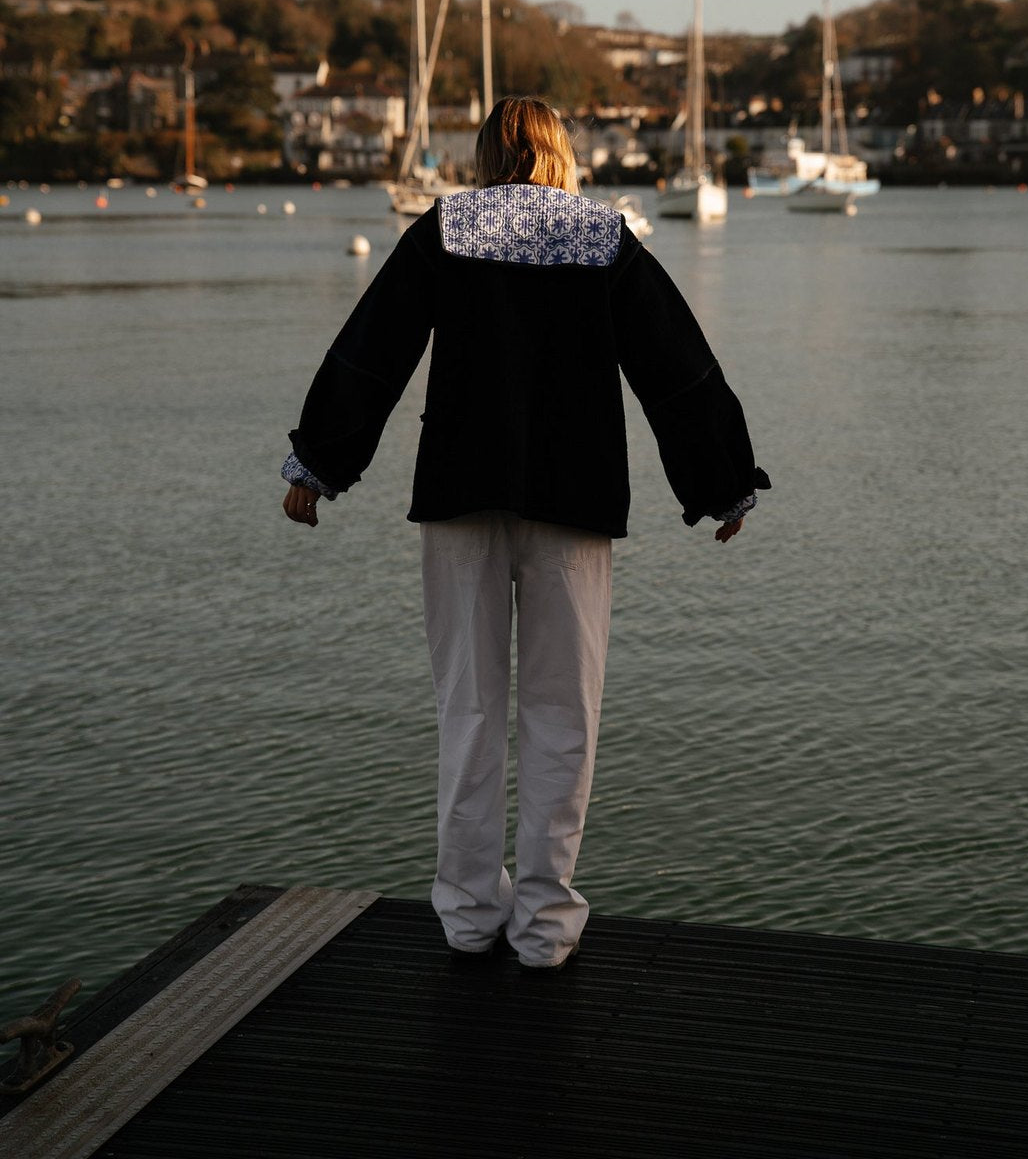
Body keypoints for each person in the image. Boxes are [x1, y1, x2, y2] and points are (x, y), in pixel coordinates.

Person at [282, 97, 769, 970]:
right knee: (562, 716)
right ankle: (545, 928)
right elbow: (678, 369)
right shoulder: (602, 237)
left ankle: (470, 917)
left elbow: (371, 353)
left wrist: (317, 466)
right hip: (574, 503)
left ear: (484, 153)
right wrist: (723, 480)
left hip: (462, 497)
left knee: (468, 712)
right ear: (559, 155)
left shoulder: (445, 228)